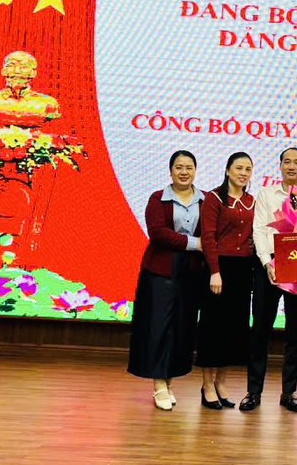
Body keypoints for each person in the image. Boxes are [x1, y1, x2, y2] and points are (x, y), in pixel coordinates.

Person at [241, 147, 297, 413]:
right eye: (287, 162)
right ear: (280, 166)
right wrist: (267, 263)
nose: (292, 167)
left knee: (295, 333)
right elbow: (259, 230)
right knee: (260, 331)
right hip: (269, 267)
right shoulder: (267, 194)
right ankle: (253, 392)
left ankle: (289, 393)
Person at [127, 150, 204, 411]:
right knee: (158, 328)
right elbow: (158, 233)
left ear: (195, 170)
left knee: (181, 329)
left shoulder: (205, 200)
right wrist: (196, 243)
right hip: (160, 272)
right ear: (170, 171)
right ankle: (159, 384)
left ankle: (169, 381)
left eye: (189, 167)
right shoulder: (157, 198)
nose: (184, 172)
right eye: (179, 167)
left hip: (191, 273)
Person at [195, 152, 257, 410]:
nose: (243, 173)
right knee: (213, 328)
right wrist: (214, 271)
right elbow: (208, 237)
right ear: (228, 170)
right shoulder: (214, 198)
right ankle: (207, 385)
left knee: (234, 328)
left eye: (248, 169)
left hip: (243, 271)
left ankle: (221, 382)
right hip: (218, 269)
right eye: (239, 168)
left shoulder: (252, 201)